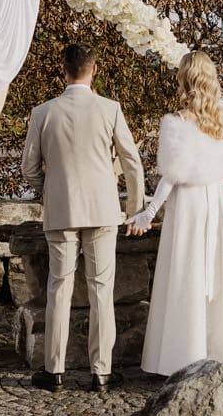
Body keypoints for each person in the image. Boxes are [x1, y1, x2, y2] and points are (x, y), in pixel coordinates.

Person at [21, 43, 146, 392]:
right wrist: (135, 209)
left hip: (62, 210)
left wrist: (51, 188)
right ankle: (101, 371)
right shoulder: (110, 109)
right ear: (95, 71)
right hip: (104, 210)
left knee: (59, 288)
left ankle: (54, 370)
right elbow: (132, 162)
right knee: (101, 291)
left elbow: (28, 168)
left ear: (64, 70)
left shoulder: (42, 113)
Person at [126, 50, 223, 375]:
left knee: (186, 273)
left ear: (184, 79)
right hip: (216, 200)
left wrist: (148, 211)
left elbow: (172, 175)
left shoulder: (176, 122)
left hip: (190, 206)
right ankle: (218, 352)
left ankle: (180, 357)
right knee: (214, 274)